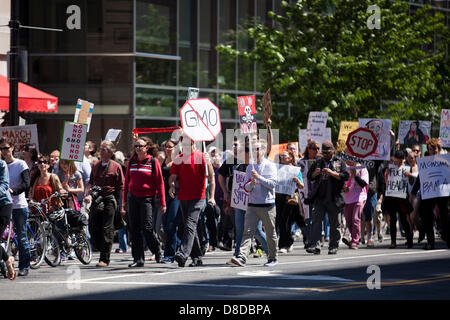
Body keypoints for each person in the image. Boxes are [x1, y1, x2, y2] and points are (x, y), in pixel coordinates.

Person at [230, 139, 279, 267]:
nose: (255, 152)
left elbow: (273, 184)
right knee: (247, 232)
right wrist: (250, 184)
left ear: (263, 150)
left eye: (257, 149)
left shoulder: (270, 165)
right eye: (253, 149)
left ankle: (273, 257)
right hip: (252, 205)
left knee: (270, 232)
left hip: (267, 205)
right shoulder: (250, 167)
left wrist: (258, 178)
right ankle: (241, 257)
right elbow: (245, 187)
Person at [168, 134, 215, 267]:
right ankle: (197, 258)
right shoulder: (179, 158)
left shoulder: (201, 157)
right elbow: (172, 177)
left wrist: (211, 197)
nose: (187, 146)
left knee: (189, 224)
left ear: (194, 144)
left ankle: (182, 254)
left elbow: (211, 177)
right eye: (185, 144)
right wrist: (171, 185)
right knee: (190, 227)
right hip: (183, 197)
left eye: (190, 144)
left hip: (198, 197)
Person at [121, 136, 166, 267]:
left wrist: (163, 203)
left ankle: (157, 250)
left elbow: (160, 183)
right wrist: (124, 202)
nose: (138, 148)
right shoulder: (131, 161)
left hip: (147, 198)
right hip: (133, 198)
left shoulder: (153, 161)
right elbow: (126, 183)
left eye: (140, 146)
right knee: (134, 229)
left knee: (147, 228)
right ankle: (138, 259)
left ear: (147, 148)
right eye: (136, 146)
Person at [84, 140, 124, 267]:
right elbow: (90, 182)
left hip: (110, 199)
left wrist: (122, 205)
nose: (101, 151)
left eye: (104, 149)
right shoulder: (95, 165)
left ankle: (104, 258)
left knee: (107, 229)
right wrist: (88, 194)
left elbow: (121, 187)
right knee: (93, 227)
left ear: (111, 152)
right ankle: (103, 249)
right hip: (97, 199)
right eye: (100, 149)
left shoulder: (116, 166)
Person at [306, 141, 349, 255]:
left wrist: (332, 173)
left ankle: (333, 246)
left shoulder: (339, 161)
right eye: (323, 152)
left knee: (335, 223)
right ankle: (315, 245)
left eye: (327, 152)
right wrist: (315, 173)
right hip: (320, 197)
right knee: (316, 221)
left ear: (333, 150)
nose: (325, 154)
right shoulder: (318, 162)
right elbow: (309, 176)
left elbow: (345, 176)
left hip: (334, 198)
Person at [0, 138, 31, 276]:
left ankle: (24, 266)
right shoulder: (1, 164)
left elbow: (26, 183)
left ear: (12, 148)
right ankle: (6, 261)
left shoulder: (20, 164)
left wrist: (13, 190)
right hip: (4, 204)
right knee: (4, 238)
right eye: (1, 149)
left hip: (18, 204)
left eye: (6, 148)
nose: (3, 151)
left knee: (21, 236)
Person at [411, 138, 449, 249]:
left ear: (438, 149)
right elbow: (420, 178)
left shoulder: (445, 160)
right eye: (431, 149)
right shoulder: (426, 162)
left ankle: (448, 238)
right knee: (427, 217)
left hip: (443, 192)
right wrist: (413, 191)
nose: (433, 151)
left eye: (435, 149)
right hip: (429, 192)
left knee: (445, 216)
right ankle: (430, 242)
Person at [383, 150, 414, 249]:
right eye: (397, 161)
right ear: (394, 159)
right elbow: (386, 181)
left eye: (401, 161)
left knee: (404, 220)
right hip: (392, 198)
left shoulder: (407, 169)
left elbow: (412, 182)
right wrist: (387, 173)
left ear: (404, 160)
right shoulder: (390, 169)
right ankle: (393, 242)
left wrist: (409, 176)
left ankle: (409, 241)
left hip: (402, 199)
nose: (399, 163)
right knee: (393, 219)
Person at [276, 150, 304, 253]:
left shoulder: (295, 170)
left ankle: (285, 244)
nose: (283, 157)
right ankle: (287, 241)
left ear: (290, 157)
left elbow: (302, 186)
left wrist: (297, 181)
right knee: (280, 221)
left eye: (285, 156)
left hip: (290, 197)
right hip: (278, 197)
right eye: (281, 156)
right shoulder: (277, 168)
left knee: (286, 220)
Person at [160, 139, 181, 263]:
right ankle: (180, 245)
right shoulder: (163, 161)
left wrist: (181, 135)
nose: (167, 149)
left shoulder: (178, 161)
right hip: (164, 195)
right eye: (165, 146)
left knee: (171, 224)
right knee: (164, 226)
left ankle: (169, 255)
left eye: (170, 147)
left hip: (176, 195)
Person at [298, 140, 321, 248]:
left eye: (318, 148)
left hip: (319, 193)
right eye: (314, 148)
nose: (317, 150)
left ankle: (317, 239)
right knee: (307, 217)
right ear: (308, 149)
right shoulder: (301, 162)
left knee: (317, 217)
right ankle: (308, 239)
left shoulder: (321, 161)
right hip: (306, 193)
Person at [341, 160, 369, 249]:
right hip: (348, 198)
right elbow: (342, 182)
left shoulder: (362, 168)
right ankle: (351, 237)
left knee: (356, 219)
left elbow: (363, 184)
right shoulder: (344, 168)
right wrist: (344, 187)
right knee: (349, 220)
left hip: (359, 197)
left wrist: (355, 175)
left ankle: (355, 241)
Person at [0, 157, 15, 280]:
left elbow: (4, 184)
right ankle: (7, 259)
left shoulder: (2, 164)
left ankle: (6, 259)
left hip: (3, 204)